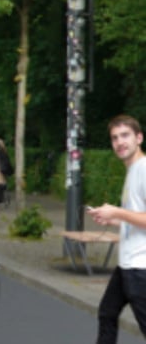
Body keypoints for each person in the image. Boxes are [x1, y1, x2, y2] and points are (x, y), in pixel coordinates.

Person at [88, 115, 146, 343]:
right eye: (114, 138)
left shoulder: (143, 170)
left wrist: (117, 212)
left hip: (140, 268)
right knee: (107, 313)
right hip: (127, 266)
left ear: (139, 138)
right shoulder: (133, 170)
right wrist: (116, 221)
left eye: (125, 135)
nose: (120, 142)